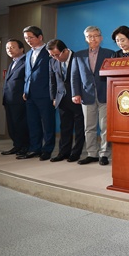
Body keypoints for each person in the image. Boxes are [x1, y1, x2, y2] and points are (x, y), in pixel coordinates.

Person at [71, 26, 114, 166]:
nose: (93, 38)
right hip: (86, 95)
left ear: (101, 38)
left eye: (96, 35)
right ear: (86, 39)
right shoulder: (78, 55)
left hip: (105, 94)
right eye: (90, 36)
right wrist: (75, 93)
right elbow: (74, 76)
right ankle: (91, 154)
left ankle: (103, 154)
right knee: (89, 127)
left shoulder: (110, 53)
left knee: (105, 126)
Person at [18, 26, 56, 161]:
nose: (28, 40)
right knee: (33, 123)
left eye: (31, 37)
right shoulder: (28, 54)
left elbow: (54, 74)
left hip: (45, 94)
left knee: (47, 124)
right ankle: (35, 148)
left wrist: (53, 94)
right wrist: (25, 90)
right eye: (26, 38)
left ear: (40, 37)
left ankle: (47, 149)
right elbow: (27, 75)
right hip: (30, 95)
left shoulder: (49, 52)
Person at [46, 39, 85, 163]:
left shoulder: (78, 57)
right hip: (61, 99)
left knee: (79, 128)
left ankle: (76, 153)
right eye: (52, 55)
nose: (55, 57)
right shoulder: (52, 62)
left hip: (77, 98)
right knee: (65, 127)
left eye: (57, 54)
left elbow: (83, 79)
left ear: (65, 50)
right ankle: (63, 152)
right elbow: (52, 81)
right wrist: (53, 98)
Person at [1, 39, 30, 156]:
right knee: (12, 125)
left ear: (21, 48)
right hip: (9, 99)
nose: (9, 50)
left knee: (21, 125)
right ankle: (17, 146)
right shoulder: (13, 62)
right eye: (7, 48)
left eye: (12, 47)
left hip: (20, 100)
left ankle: (25, 146)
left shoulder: (26, 61)